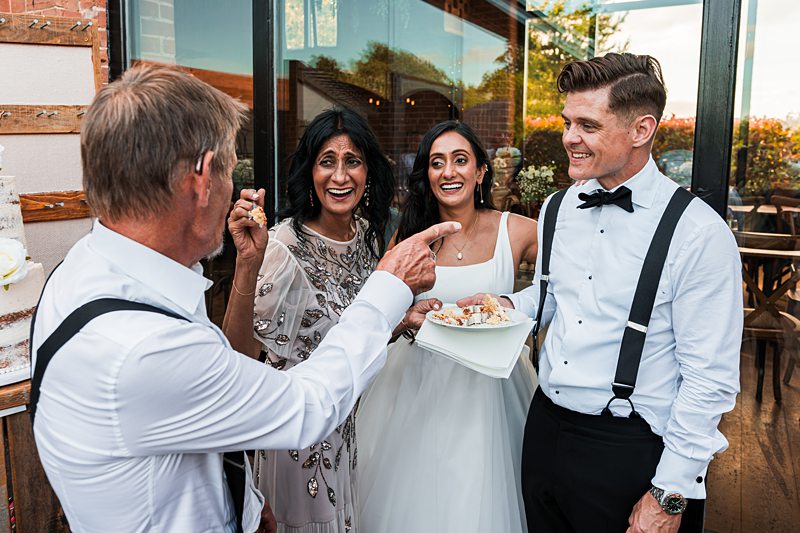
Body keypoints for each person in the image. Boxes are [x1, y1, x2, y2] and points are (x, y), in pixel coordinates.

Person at [30, 63, 459, 533]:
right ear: (202, 178)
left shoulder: (82, 272)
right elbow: (306, 406)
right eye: (232, 169)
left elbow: (201, 405)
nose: (234, 188)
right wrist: (390, 286)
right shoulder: (141, 348)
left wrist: (248, 502)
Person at [460, 53, 742, 532]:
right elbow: (553, 298)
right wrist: (503, 306)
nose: (569, 137)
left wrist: (669, 496)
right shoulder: (557, 208)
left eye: (587, 125)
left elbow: (708, 381)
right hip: (544, 429)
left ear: (641, 130)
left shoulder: (699, 233)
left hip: (629, 451)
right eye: (568, 122)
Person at [221, 107, 407, 532]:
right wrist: (247, 265)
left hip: (346, 431)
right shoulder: (283, 244)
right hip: (297, 443)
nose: (340, 176)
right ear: (310, 171)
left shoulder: (366, 235)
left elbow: (353, 330)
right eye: (327, 161)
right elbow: (241, 353)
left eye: (352, 161)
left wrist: (403, 318)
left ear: (369, 172)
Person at [357, 120, 538, 533]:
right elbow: (380, 312)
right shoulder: (409, 236)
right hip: (414, 387)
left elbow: (564, 282)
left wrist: (517, 308)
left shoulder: (517, 230)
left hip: (491, 390)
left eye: (461, 160)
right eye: (437, 163)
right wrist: (405, 321)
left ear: (480, 172)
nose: (449, 172)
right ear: (427, 175)